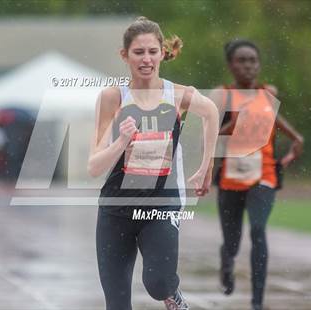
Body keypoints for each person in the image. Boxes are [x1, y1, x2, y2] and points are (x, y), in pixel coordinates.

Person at [88, 17, 218, 310]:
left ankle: (174, 294)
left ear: (162, 53)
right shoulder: (112, 97)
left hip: (162, 204)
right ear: (124, 55)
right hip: (116, 207)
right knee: (117, 303)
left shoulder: (178, 95)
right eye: (138, 52)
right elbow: (94, 166)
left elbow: (211, 112)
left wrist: (205, 167)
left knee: (158, 283)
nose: (146, 59)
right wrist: (121, 143)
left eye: (152, 51)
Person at [211, 39, 304, 310]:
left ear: (259, 64)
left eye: (253, 60)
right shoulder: (222, 95)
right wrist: (232, 124)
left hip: (263, 173)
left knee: (259, 230)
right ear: (231, 65)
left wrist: (295, 137)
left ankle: (257, 303)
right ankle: (226, 261)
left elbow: (272, 116)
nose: (248, 66)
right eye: (242, 60)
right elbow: (210, 136)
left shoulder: (268, 92)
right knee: (233, 242)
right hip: (231, 176)